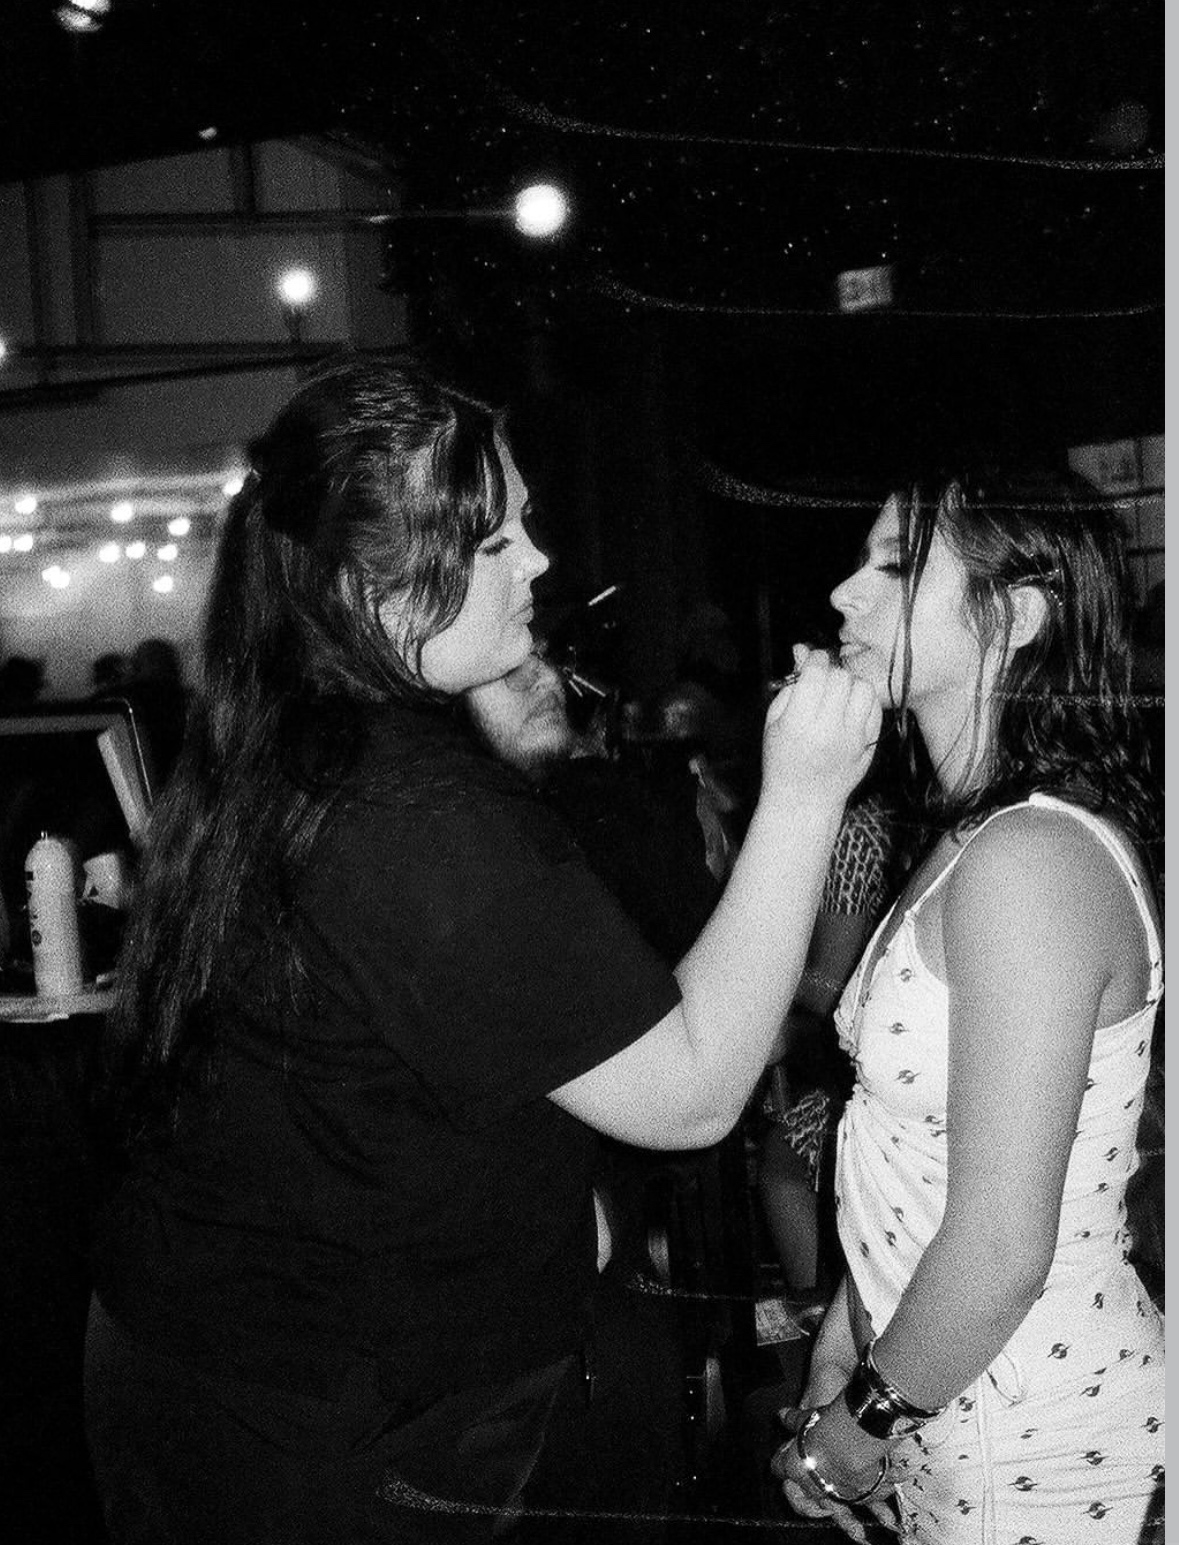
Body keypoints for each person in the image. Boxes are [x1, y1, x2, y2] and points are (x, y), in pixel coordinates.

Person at [84, 354, 879, 1545]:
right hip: (325, 1422)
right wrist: (805, 794)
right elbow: (697, 1092)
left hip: (205, 1367)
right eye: (497, 541)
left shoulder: (285, 739)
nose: (538, 563)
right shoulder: (414, 807)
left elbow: (371, 1071)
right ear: (369, 586)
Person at [770, 474, 1165, 1544]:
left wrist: (853, 1430)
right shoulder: (968, 836)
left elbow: (998, 1247)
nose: (845, 594)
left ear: (1016, 615)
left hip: (1041, 1445)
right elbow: (910, 1162)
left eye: (896, 565)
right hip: (956, 1409)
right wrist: (842, 1351)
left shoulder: (1029, 858)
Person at [758, 787, 895, 1295]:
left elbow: (829, 985)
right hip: (863, 1054)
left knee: (781, 1170)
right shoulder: (864, 820)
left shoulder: (856, 834)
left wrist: (760, 970)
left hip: (870, 1078)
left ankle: (824, 1313)